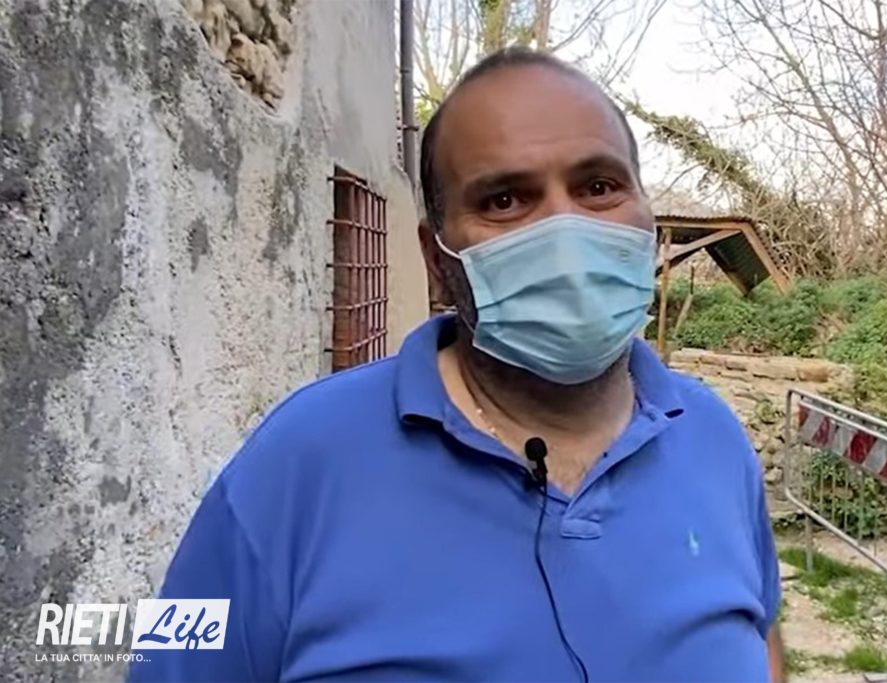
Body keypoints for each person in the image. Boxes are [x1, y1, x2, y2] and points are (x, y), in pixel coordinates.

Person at [129, 47, 784, 682]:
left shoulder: (716, 440)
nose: (565, 233)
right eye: (504, 200)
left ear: (646, 217)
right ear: (437, 259)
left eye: (599, 187)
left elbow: (761, 643)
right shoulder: (290, 462)